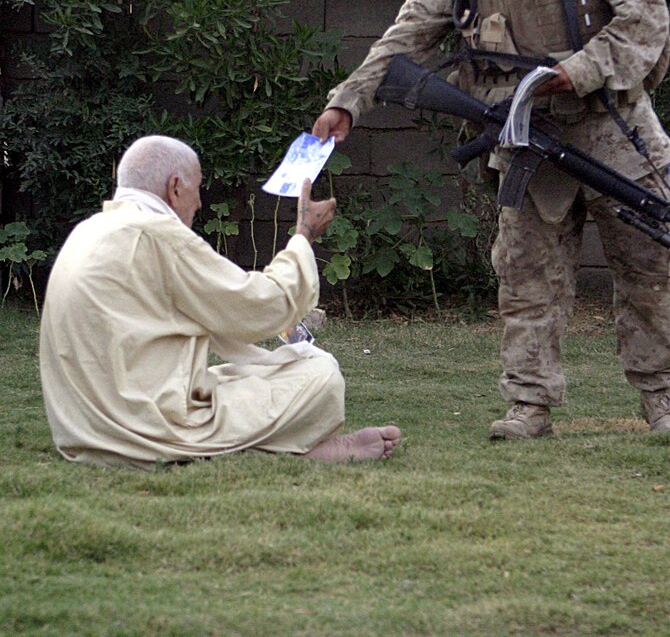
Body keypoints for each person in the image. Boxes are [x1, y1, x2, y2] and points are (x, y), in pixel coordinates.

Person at [313, 0, 670, 439]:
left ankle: (660, 396)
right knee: (524, 275)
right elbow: (402, 38)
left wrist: (579, 70)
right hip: (525, 138)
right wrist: (348, 102)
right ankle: (529, 404)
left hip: (611, 127)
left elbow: (647, 15)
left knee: (651, 263)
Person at [39, 135, 401, 468]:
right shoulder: (158, 235)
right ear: (175, 187)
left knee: (242, 375)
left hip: (83, 431)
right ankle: (294, 447)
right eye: (197, 190)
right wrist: (304, 234)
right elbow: (262, 307)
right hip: (141, 431)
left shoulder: (87, 231)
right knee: (320, 375)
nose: (198, 202)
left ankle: (269, 445)